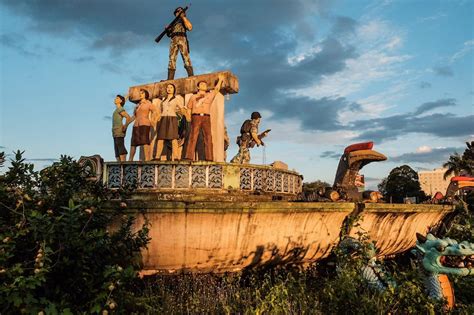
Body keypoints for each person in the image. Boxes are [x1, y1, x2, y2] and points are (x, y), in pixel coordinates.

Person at [184, 74, 225, 161]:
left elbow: (216, 90)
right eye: (201, 84)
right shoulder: (193, 97)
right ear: (198, 87)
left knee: (208, 137)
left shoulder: (209, 95)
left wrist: (220, 80)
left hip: (206, 117)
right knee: (193, 136)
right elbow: (189, 108)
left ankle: (209, 157)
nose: (203, 86)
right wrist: (188, 117)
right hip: (196, 116)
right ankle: (189, 156)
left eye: (205, 85)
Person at [153, 83, 185, 160]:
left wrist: (187, 115)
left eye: (171, 87)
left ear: (174, 89)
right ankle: (157, 157)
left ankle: (176, 157)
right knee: (160, 138)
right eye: (168, 87)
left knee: (173, 138)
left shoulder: (176, 99)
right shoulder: (163, 101)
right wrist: (156, 119)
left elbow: (182, 109)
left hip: (172, 118)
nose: (169, 89)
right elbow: (160, 112)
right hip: (163, 119)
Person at [129, 89, 156, 161]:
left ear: (146, 95)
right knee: (133, 142)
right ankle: (130, 159)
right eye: (140, 93)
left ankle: (147, 159)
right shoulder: (137, 105)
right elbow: (134, 116)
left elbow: (155, 111)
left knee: (145, 141)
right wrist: (126, 124)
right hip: (136, 125)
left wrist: (152, 120)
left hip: (144, 123)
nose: (140, 94)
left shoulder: (148, 103)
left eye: (142, 93)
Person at [167, 6, 193, 80]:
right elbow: (169, 34)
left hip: (182, 38)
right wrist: (167, 29)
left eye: (181, 11)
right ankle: (170, 79)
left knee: (185, 57)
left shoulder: (184, 20)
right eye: (178, 11)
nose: (179, 12)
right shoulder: (173, 23)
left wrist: (183, 18)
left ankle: (191, 75)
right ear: (175, 13)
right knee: (172, 58)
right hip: (173, 40)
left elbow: (190, 27)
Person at [112, 95, 132, 162]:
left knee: (120, 145)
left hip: (119, 130)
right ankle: (119, 163)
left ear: (120, 101)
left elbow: (128, 117)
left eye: (117, 98)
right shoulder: (117, 109)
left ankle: (123, 162)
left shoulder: (120, 109)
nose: (115, 99)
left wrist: (125, 126)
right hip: (114, 132)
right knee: (116, 148)